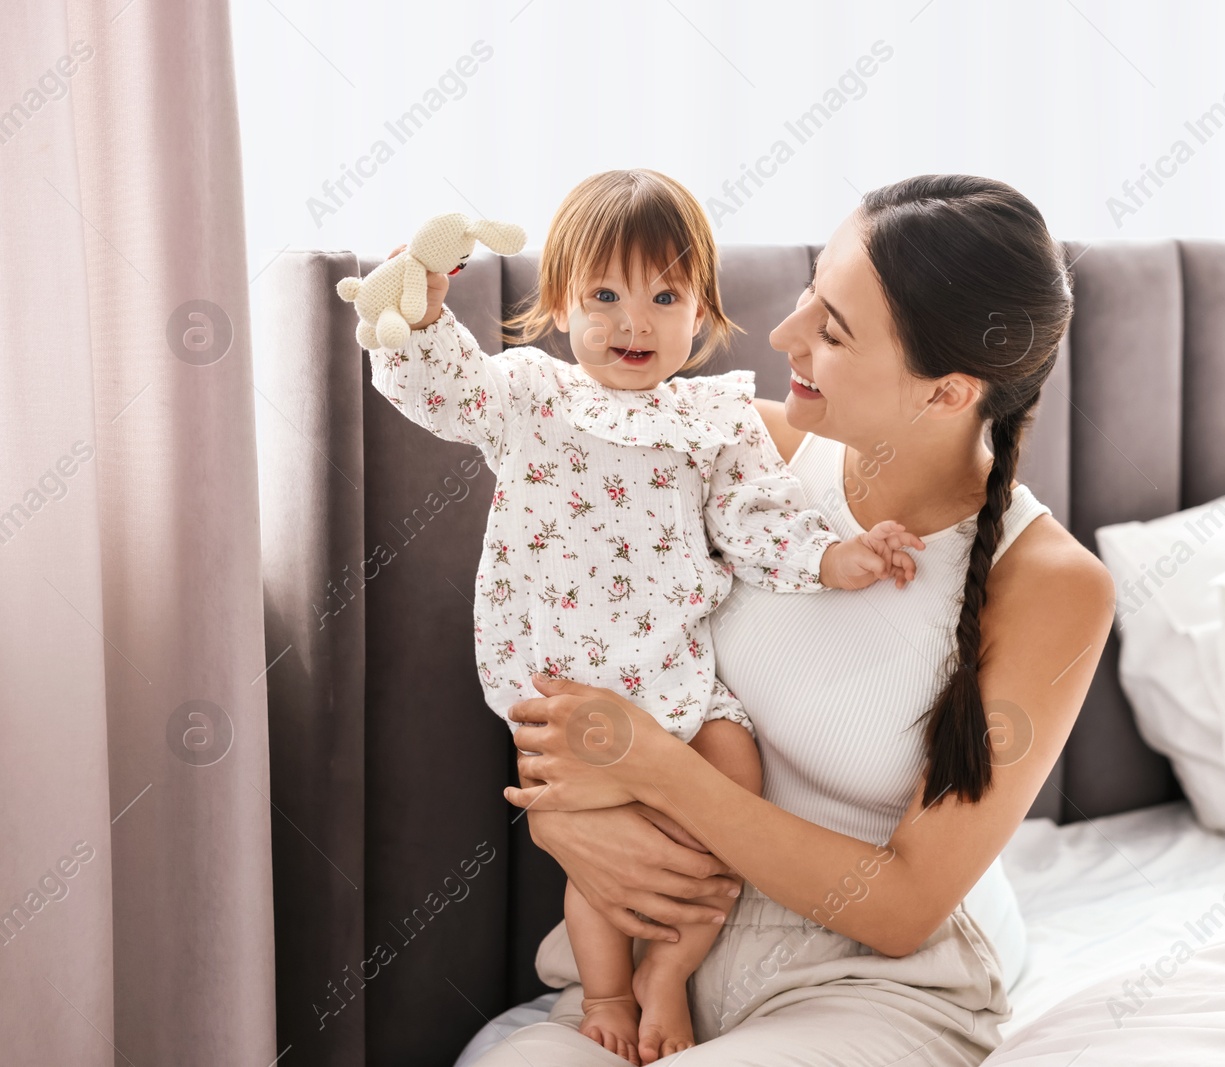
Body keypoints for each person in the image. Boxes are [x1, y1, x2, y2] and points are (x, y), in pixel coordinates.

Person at [481, 174, 1115, 1066]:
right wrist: (562, 814)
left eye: (833, 328)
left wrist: (657, 769)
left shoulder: (1050, 583)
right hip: (640, 965)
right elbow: (570, 629)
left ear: (947, 392)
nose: (783, 335)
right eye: (810, 293)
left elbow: (902, 908)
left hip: (868, 986)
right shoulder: (725, 448)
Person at [369, 169, 925, 1064]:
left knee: (732, 778)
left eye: (665, 295)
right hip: (572, 683)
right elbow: (443, 391)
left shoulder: (716, 419)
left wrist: (836, 556)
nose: (634, 321)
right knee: (603, 854)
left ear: (701, 313)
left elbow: (757, 520)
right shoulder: (530, 397)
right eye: (604, 295)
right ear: (558, 304)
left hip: (678, 673)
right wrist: (423, 317)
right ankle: (609, 990)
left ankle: (670, 974)